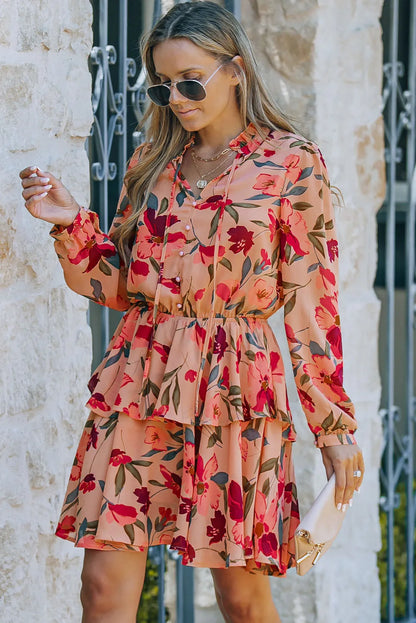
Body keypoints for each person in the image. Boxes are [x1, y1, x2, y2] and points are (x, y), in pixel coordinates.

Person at [19, 2, 365, 622]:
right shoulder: (153, 164)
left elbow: (312, 306)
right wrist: (71, 223)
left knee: (241, 599)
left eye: (190, 80)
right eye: (162, 84)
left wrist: (333, 427)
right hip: (140, 380)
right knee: (101, 587)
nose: (175, 98)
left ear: (234, 70)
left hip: (236, 389)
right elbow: (121, 287)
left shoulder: (291, 163)